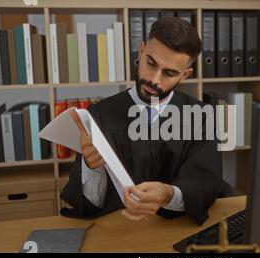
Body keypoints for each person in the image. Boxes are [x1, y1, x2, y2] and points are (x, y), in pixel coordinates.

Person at [61, 17, 222, 225]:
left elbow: (205, 185)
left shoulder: (200, 116)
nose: (154, 79)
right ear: (141, 50)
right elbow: (91, 203)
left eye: (170, 73)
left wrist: (168, 194)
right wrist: (93, 167)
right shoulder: (100, 114)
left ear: (185, 75)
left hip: (174, 229)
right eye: (151, 63)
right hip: (119, 231)